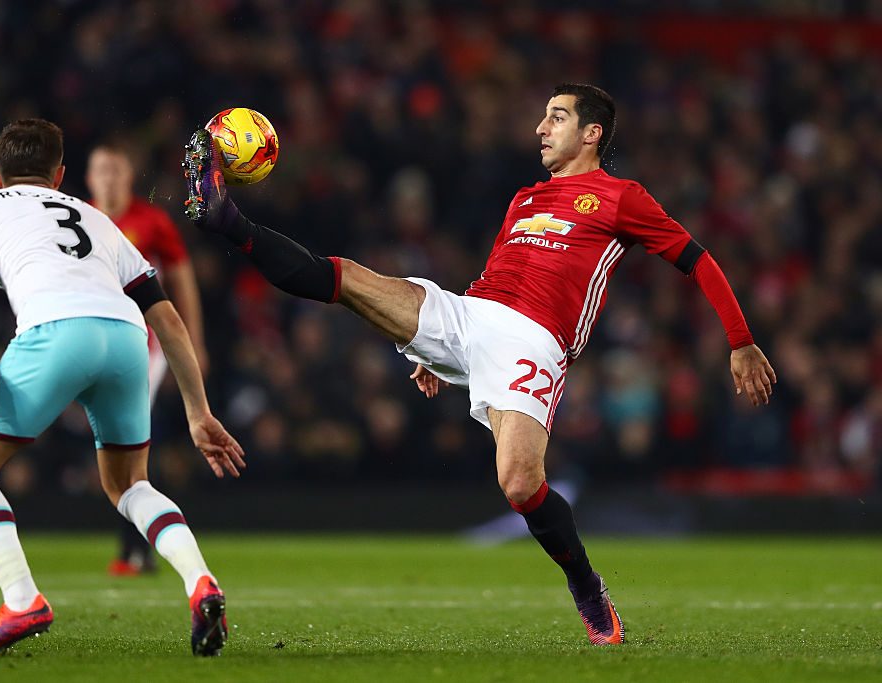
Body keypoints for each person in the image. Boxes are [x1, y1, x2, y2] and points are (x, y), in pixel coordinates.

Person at [185, 83, 777, 646]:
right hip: (469, 314)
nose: (542, 127)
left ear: (593, 133)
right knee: (346, 279)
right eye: (544, 116)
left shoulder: (624, 198)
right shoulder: (525, 197)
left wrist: (740, 339)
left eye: (558, 117)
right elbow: (495, 276)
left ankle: (586, 587)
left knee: (519, 482)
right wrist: (440, 354)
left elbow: (698, 259)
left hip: (534, 338)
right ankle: (228, 222)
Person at [0, 119, 245, 657]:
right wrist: (199, 412)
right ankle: (201, 581)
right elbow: (168, 319)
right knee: (130, 485)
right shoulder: (97, 218)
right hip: (128, 339)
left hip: (55, 332)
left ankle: (21, 599)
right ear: (59, 176)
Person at [86, 141, 209, 577]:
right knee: (118, 439)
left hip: (145, 347)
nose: (110, 178)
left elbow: (182, 280)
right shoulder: (81, 217)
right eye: (102, 170)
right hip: (91, 342)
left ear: (129, 176)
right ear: (89, 177)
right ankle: (137, 545)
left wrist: (193, 344)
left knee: (135, 436)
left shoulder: (152, 221)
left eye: (117, 170)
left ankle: (134, 550)